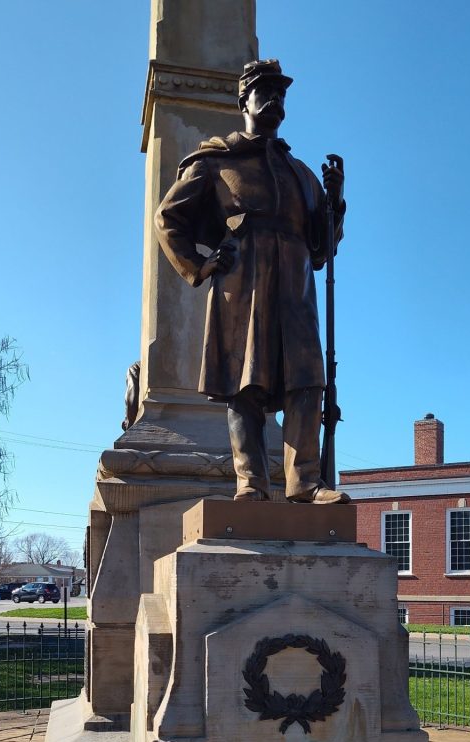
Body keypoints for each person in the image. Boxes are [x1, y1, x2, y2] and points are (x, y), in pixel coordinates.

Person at [154, 58, 349, 504]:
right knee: (245, 381)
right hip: (243, 283)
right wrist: (199, 265)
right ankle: (251, 482)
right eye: (266, 91)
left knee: (307, 379)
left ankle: (305, 481)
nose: (275, 100)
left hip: (296, 286)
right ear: (244, 100)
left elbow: (322, 250)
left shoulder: (302, 174)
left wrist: (334, 203)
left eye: (282, 94)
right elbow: (168, 218)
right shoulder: (216, 160)